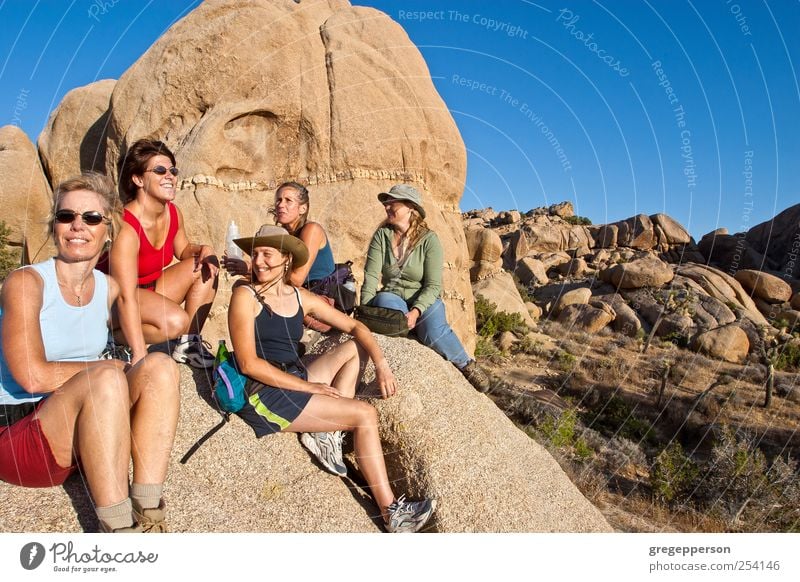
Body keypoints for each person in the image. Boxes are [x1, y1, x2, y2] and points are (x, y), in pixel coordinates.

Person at [0, 173, 180, 533]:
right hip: (20, 436)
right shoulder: (26, 283)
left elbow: (168, 321)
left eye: (92, 218)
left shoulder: (108, 287)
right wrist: (109, 366)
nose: (78, 226)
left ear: (108, 230)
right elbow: (31, 376)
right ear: (55, 227)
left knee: (161, 366)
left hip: (88, 432)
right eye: (67, 217)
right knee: (108, 374)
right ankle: (117, 529)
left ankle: (147, 511)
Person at [228, 224, 435, 533]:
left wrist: (381, 364)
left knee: (354, 349)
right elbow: (248, 364)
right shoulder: (245, 296)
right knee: (365, 415)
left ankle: (325, 432)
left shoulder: (299, 296)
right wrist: (309, 387)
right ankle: (393, 514)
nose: (258, 262)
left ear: (286, 259)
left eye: (267, 254)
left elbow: (356, 328)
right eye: (255, 254)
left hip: (291, 374)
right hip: (263, 391)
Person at [361, 184, 491, 392]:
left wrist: (416, 311)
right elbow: (370, 276)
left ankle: (467, 365)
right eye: (386, 202)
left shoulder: (429, 240)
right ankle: (411, 335)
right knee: (388, 308)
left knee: (434, 332)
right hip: (392, 296)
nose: (387, 207)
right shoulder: (382, 236)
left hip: (423, 298)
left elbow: (432, 285)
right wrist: (365, 311)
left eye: (392, 202)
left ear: (410, 207)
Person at [105, 139, 219, 368]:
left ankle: (189, 345)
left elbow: (183, 250)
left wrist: (202, 250)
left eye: (172, 170)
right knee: (175, 321)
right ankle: (110, 341)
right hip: (111, 303)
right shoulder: (126, 226)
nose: (170, 176)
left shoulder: (173, 213)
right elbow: (125, 295)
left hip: (147, 294)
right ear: (137, 179)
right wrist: (140, 355)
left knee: (206, 265)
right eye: (159, 170)